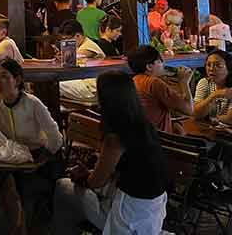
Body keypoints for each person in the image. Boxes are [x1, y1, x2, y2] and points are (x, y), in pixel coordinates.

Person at [53, 71, 168, 235]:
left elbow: (97, 181)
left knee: (62, 187)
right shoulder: (143, 124)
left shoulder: (116, 136)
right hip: (153, 211)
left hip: (127, 215)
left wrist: (83, 176)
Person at [0, 59, 63, 235]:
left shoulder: (32, 103)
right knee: (5, 182)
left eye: (4, 77)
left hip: (36, 158)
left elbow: (56, 137)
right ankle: (18, 228)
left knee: (21, 189)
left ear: (18, 80)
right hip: (12, 158)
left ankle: (20, 228)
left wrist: (40, 160)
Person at [128, 44, 193, 133]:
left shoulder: (133, 81)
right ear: (149, 67)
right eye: (160, 61)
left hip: (142, 137)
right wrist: (184, 82)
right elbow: (189, 110)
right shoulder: (154, 83)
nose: (163, 64)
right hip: (159, 140)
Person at [193, 50, 232, 123]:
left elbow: (230, 118)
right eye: (208, 65)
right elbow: (196, 113)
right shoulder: (204, 82)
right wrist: (214, 95)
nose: (211, 69)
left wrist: (212, 119)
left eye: (218, 65)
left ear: (229, 68)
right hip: (211, 129)